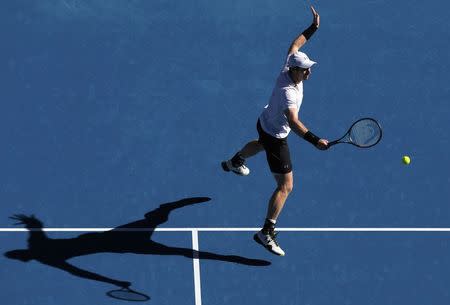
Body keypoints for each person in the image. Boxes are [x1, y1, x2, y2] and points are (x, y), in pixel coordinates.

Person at [221, 6, 328, 256]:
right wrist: (315, 141)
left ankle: (235, 160)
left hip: (264, 121)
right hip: (277, 136)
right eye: (306, 69)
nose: (309, 71)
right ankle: (266, 232)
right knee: (286, 186)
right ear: (296, 71)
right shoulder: (289, 93)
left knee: (260, 143)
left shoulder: (288, 66)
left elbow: (295, 44)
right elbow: (293, 122)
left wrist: (313, 28)